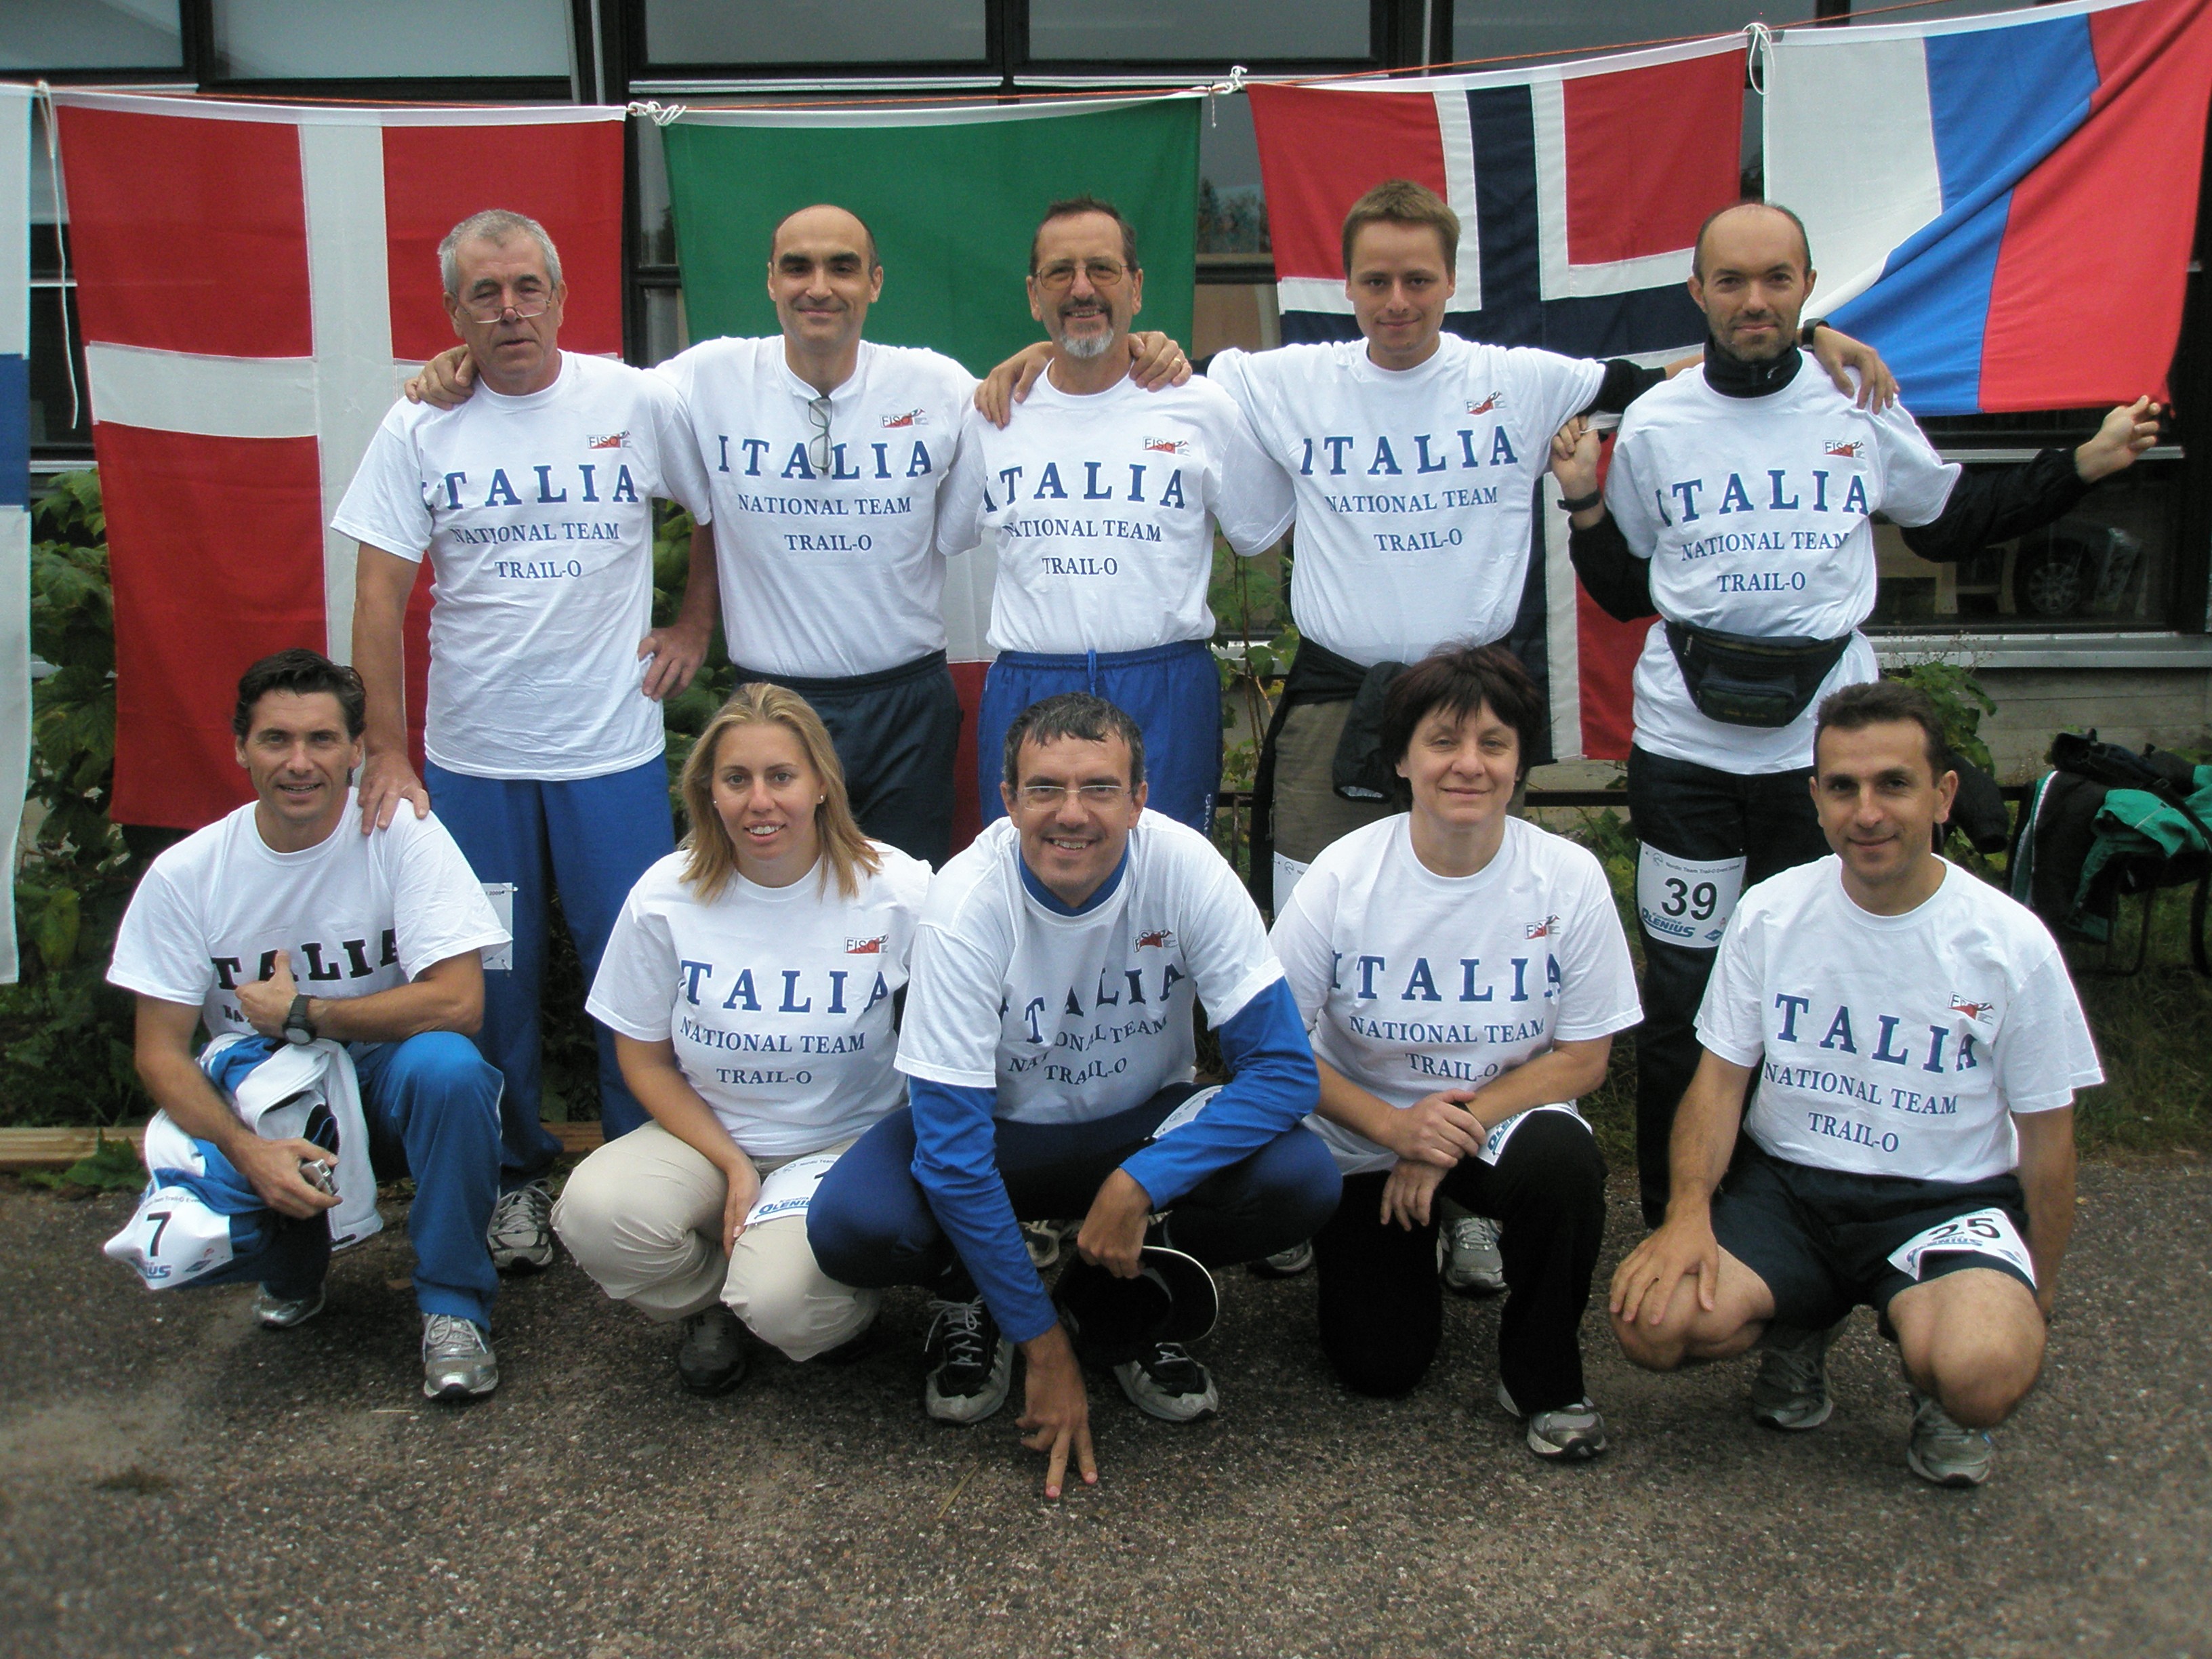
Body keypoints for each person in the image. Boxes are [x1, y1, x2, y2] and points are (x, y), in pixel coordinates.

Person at [1551, 199, 2159, 1227]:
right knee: (1686, 995)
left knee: (1814, 988)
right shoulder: (1656, 422)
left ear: (1806, 287)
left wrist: (2082, 466)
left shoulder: (1856, 402)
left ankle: (1788, 1219)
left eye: (1776, 279)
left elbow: (1951, 520)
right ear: (1698, 293)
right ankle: (1675, 1228)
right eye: (1731, 281)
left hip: (1826, 764)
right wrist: (1583, 506)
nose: (1754, 300)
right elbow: (1625, 590)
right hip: (1687, 758)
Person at [405, 203, 1189, 868]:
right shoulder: (706, 378)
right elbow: (574, 394)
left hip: (905, 708)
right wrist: (472, 360)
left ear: (874, 283)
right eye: (799, 267)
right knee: (770, 909)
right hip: (771, 706)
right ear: (771, 282)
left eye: (842, 267)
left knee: (901, 910)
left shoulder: (937, 385)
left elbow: (1041, 385)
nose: (820, 286)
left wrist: (1095, 348)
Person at [807, 693, 1338, 1498]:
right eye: (1045, 788)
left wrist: (1143, 1181)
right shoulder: (967, 901)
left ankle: (1128, 1295)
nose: (1072, 813)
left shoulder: (1185, 866)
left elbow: (1285, 1071)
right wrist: (1044, 1348)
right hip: (1004, 1140)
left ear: (1139, 799)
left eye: (1099, 788)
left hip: (1138, 1129)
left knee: (1301, 1179)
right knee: (853, 1225)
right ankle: (985, 1299)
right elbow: (952, 1156)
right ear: (1008, 799)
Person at [333, 208, 718, 1269]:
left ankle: (638, 1178)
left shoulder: (632, 401)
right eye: (485, 294)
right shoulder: (420, 425)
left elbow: (716, 512)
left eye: (527, 288)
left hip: (611, 755)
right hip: (474, 763)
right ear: (453, 311)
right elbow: (377, 595)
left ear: (560, 295)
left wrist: (693, 625)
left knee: (632, 972)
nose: (510, 311)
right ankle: (513, 1178)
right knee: (490, 981)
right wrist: (387, 752)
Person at [1610, 680, 2100, 1488]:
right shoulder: (1771, 912)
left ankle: (1939, 1391)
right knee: (1653, 1323)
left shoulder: (2009, 943)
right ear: (1816, 800)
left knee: (1983, 1372)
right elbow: (1718, 1085)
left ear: (1943, 795)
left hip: (1944, 1202)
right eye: (1843, 787)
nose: (1866, 812)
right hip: (1790, 1191)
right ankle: (1801, 1321)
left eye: (1893, 784)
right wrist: (1687, 1216)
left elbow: (2049, 1139)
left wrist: (2036, 1292)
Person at [106, 650, 512, 1399]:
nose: (300, 763)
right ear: (240, 748)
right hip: (268, 1102)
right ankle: (288, 1264)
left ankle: (454, 1307)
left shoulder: (402, 836)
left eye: (322, 739)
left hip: (381, 1080)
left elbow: (459, 1003)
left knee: (450, 1070)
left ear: (357, 750)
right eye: (276, 740)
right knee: (264, 1235)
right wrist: (246, 1151)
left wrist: (305, 1013)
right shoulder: (188, 874)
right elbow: (159, 1055)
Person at [1270, 644, 1639, 1459]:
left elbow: (1583, 1059)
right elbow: (1274, 1047)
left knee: (1565, 1167)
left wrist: (1438, 1137)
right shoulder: (1342, 875)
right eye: (1443, 741)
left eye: (1494, 744)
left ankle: (1545, 1377)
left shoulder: (1567, 878)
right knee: (1380, 1366)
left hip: (1501, 1121)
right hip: (1365, 1131)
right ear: (1402, 759)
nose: (1468, 764)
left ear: (1519, 762)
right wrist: (1395, 1130)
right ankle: (1411, 1238)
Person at [551, 684, 930, 1393]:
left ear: (821, 783)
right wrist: (732, 1164)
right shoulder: (667, 893)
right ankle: (712, 1302)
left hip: (844, 1142)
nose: (760, 801)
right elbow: (642, 1057)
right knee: (595, 1214)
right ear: (710, 792)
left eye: (781, 776)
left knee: (786, 1304)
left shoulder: (895, 888)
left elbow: (962, 1018)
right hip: (711, 1135)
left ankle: (817, 1301)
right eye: (737, 779)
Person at [939, 197, 1294, 835]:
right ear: (1034, 295)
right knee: (1030, 874)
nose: (1082, 289)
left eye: (1102, 269)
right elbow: (947, 532)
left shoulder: (1199, 407)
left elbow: (1262, 524)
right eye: (1060, 272)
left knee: (1165, 877)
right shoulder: (993, 414)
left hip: (1162, 683)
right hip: (1031, 684)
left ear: (1135, 287)